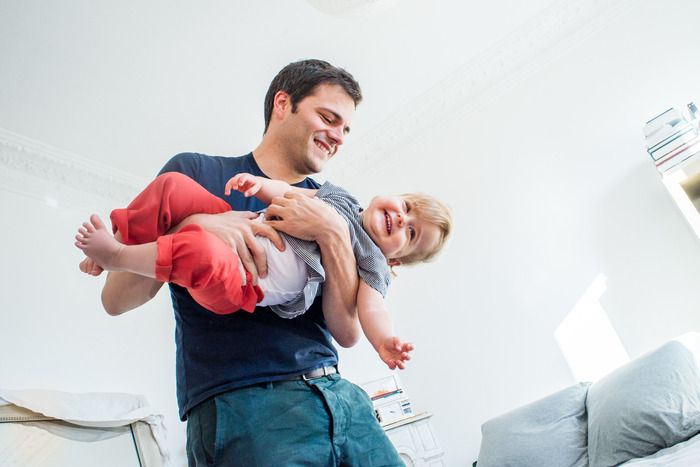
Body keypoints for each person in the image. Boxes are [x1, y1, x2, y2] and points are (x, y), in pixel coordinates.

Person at [90, 59, 414, 466]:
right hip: (243, 406)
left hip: (341, 398)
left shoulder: (334, 204)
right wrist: (197, 223)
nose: (338, 137)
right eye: (329, 118)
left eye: (346, 129)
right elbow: (116, 299)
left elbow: (347, 332)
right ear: (283, 104)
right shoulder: (195, 173)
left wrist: (331, 233)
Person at [74, 171, 452, 369]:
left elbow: (371, 310)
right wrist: (258, 186)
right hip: (237, 221)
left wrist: (384, 342)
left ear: (396, 261)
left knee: (199, 252)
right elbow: (292, 193)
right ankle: (122, 241)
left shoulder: (372, 263)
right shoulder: (342, 198)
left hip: (242, 282)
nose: (401, 218)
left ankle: (117, 257)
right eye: (406, 206)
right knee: (172, 186)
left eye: (411, 232)